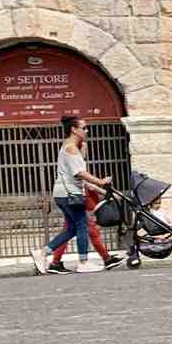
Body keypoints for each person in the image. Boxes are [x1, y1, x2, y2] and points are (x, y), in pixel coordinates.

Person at [30, 116, 114, 275]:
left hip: (63, 193)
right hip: (70, 194)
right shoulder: (70, 147)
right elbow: (80, 172)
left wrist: (83, 146)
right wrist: (101, 182)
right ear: (74, 129)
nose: (87, 130)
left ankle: (43, 253)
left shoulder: (70, 146)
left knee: (72, 229)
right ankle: (83, 262)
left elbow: (77, 164)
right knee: (82, 226)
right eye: (84, 127)